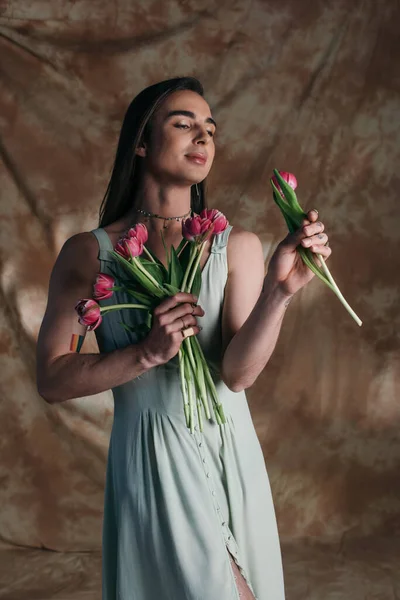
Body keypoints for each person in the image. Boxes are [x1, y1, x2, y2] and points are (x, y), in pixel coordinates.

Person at [36, 77, 331, 600]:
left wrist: (280, 292)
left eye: (210, 129)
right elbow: (52, 378)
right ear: (142, 143)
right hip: (152, 458)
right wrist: (145, 353)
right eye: (184, 124)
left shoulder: (235, 245)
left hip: (230, 449)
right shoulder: (89, 254)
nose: (203, 137)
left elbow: (237, 374)